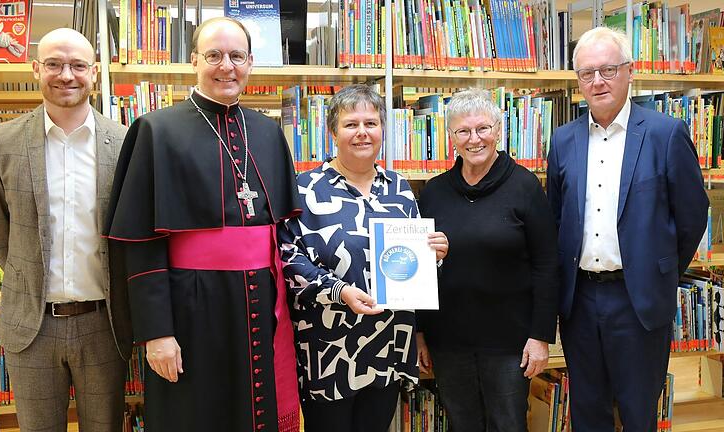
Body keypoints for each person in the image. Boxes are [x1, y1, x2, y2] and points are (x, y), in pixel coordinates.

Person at [104, 17, 301, 431]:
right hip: (190, 308)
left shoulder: (267, 132)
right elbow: (139, 243)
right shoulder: (155, 131)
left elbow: (282, 235)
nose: (226, 66)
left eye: (236, 56)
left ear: (250, 63)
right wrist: (157, 332)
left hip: (260, 305)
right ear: (194, 60)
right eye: (214, 55)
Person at [547, 27, 709, 431]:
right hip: (579, 301)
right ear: (577, 81)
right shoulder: (563, 140)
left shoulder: (664, 133)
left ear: (629, 72)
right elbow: (555, 217)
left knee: (639, 413)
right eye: (587, 73)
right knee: (587, 410)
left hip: (637, 302)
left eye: (608, 69)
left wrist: (658, 270)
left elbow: (692, 216)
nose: (597, 81)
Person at [0, 28, 131, 431]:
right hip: (32, 325)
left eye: (78, 65)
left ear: (94, 73)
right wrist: (26, 274)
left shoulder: (125, 141)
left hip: (104, 325)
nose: (66, 75)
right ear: (35, 69)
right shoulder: (2, 141)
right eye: (54, 64)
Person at [278, 84, 449, 432]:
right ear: (332, 132)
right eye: (350, 124)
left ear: (383, 129)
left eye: (370, 123)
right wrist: (339, 291)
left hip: (387, 345)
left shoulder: (398, 187)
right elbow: (289, 259)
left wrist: (434, 255)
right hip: (328, 349)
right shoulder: (304, 188)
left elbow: (410, 258)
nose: (362, 133)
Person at [416, 89, 559, 432]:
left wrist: (540, 336)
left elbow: (547, 265)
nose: (474, 139)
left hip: (510, 342)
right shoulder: (433, 192)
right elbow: (420, 269)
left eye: (482, 129)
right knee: (461, 424)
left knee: (508, 424)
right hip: (449, 341)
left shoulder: (525, 187)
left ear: (499, 130)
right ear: (451, 137)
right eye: (463, 131)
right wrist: (420, 333)